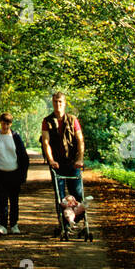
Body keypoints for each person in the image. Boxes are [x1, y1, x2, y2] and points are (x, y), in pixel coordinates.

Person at [41, 91, 85, 234]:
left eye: (60, 102)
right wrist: (51, 160)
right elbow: (46, 142)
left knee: (77, 194)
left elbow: (80, 140)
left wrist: (80, 158)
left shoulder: (73, 120)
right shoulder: (47, 121)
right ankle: (63, 224)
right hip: (57, 165)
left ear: (65, 103)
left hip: (73, 163)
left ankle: (77, 222)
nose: (58, 105)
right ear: (52, 103)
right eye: (55, 102)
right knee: (60, 196)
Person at [0, 112, 29, 235]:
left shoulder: (16, 137)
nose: (5, 126)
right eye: (3, 123)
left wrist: (23, 174)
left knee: (14, 201)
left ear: (11, 124)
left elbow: (23, 156)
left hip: (14, 173)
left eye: (8, 124)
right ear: (0, 123)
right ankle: (2, 225)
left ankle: (14, 225)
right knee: (1, 200)